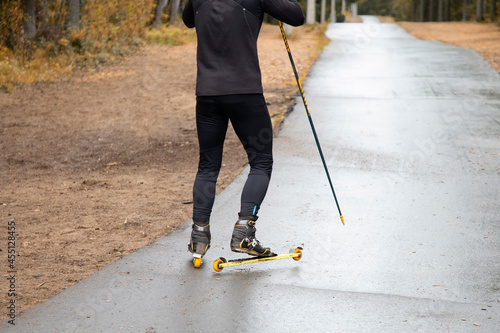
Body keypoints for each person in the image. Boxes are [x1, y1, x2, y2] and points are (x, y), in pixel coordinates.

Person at [182, 0, 304, 260]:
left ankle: (199, 235)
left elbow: (188, 19)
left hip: (208, 95)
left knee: (208, 166)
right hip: (244, 93)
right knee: (261, 162)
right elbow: (296, 15)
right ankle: (244, 231)